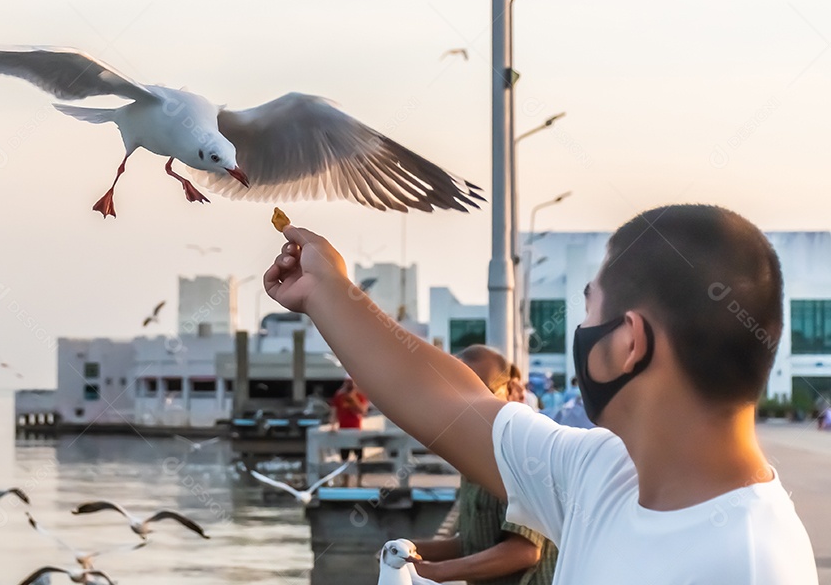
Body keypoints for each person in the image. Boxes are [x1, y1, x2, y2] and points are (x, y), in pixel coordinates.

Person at [264, 205, 817, 583]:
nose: (580, 330)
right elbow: (456, 404)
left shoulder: (747, 563)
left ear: (628, 342)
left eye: (588, 305)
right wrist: (327, 292)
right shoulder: (603, 472)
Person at [413, 345, 557, 585]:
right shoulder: (473, 456)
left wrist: (437, 573)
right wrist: (409, 550)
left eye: (479, 391)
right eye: (455, 393)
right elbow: (471, 543)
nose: (465, 403)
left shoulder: (523, 453)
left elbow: (524, 551)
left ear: (511, 391)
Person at [331, 377, 368, 486]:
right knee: (344, 458)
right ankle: (345, 482)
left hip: (357, 431)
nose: (349, 384)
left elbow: (363, 411)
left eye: (351, 382)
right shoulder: (339, 396)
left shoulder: (360, 395)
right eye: (347, 382)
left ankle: (359, 482)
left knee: (359, 458)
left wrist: (353, 398)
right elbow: (334, 411)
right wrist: (333, 425)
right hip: (343, 431)